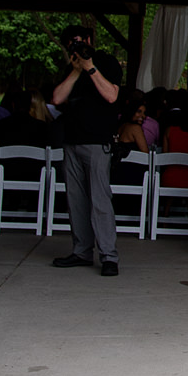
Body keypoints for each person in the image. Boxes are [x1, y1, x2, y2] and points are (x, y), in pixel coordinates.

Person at [50, 24, 123, 277]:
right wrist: (75, 70)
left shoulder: (106, 61)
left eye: (80, 41)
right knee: (76, 200)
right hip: (71, 141)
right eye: (71, 43)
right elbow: (57, 99)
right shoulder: (69, 68)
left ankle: (108, 256)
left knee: (100, 201)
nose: (76, 47)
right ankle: (81, 251)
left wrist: (90, 67)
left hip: (97, 142)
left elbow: (112, 96)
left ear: (90, 40)